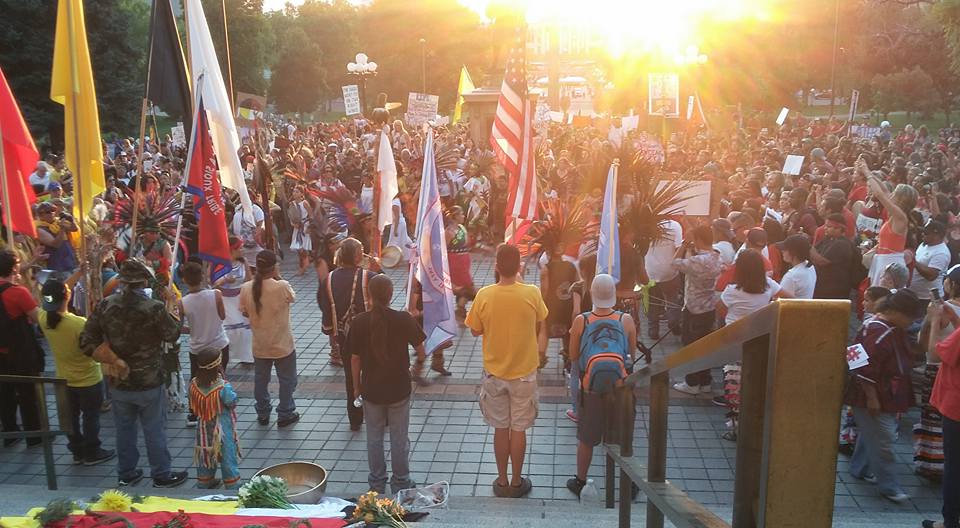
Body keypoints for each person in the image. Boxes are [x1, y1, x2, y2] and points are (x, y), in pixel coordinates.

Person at [80, 258, 187, 487]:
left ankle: (126, 473)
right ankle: (161, 474)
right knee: (154, 429)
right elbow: (172, 334)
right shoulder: (153, 308)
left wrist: (114, 359)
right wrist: (175, 309)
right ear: (143, 282)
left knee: (124, 430)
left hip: (119, 380)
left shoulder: (106, 305)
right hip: (149, 379)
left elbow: (86, 340)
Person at [465, 244, 548, 498]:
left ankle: (501, 481)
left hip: (494, 372)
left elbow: (475, 330)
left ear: (496, 267)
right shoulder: (532, 293)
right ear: (520, 266)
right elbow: (540, 321)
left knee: (500, 428)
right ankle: (516, 481)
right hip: (524, 372)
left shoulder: (485, 295)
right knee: (519, 428)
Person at [348, 274, 426, 494]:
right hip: (399, 388)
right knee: (399, 437)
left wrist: (356, 387)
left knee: (374, 437)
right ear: (391, 295)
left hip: (371, 390)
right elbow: (421, 350)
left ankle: (377, 481)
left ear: (369, 295)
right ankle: (401, 480)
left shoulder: (359, 321)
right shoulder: (403, 319)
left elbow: (355, 359)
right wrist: (416, 366)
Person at [845, 288, 921, 503]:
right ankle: (889, 486)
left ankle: (859, 469)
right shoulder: (881, 332)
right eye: (910, 317)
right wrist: (872, 397)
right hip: (875, 393)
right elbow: (860, 363)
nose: (911, 322)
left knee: (872, 432)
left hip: (877, 392)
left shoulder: (878, 325)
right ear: (898, 312)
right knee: (884, 438)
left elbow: (854, 356)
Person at [565, 274, 637, 498]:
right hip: (620, 389)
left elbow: (573, 355)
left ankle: (580, 480)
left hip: (591, 389)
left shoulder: (582, 320)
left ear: (592, 294)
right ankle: (628, 483)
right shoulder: (626, 320)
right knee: (622, 438)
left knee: (587, 438)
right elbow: (630, 355)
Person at [38, 278, 115, 465]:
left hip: (63, 379)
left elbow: (57, 293)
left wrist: (79, 273)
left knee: (71, 418)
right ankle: (92, 451)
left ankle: (77, 450)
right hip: (88, 378)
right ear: (67, 296)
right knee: (91, 417)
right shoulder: (77, 323)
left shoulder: (42, 318)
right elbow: (96, 346)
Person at [717, 249, 781, 441]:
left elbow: (719, 308)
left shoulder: (732, 290)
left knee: (735, 384)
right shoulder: (768, 284)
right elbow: (789, 297)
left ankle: (737, 428)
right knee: (757, 383)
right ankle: (757, 424)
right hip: (760, 339)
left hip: (735, 341)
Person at [319, 238, 376, 430]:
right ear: (358, 255)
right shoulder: (369, 276)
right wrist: (378, 267)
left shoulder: (328, 279)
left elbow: (324, 307)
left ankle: (355, 419)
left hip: (344, 337)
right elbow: (384, 291)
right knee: (375, 373)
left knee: (351, 378)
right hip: (370, 336)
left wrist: (331, 332)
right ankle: (381, 417)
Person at [239, 250, 299, 428]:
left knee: (261, 380)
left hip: (260, 344)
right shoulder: (282, 286)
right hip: (282, 344)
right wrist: (278, 277)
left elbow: (243, 311)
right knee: (287, 380)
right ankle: (285, 412)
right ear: (274, 267)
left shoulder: (246, 288)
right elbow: (292, 298)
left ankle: (263, 413)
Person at [670, 225, 722, 395]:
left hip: (693, 308)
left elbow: (674, 263)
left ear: (698, 239)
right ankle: (705, 381)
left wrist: (684, 244)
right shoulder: (716, 257)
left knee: (690, 346)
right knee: (705, 347)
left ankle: (692, 383)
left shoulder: (698, 261)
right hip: (709, 307)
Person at [0, 249, 43, 447]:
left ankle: (10, 432)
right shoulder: (17, 292)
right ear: (14, 267)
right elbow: (38, 318)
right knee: (28, 394)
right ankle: (34, 435)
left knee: (4, 394)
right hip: (20, 352)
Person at [179, 262, 229, 426]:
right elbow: (222, 316)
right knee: (219, 377)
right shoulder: (216, 294)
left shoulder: (182, 302)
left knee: (196, 380)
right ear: (202, 277)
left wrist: (193, 328)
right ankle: (219, 405)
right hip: (219, 344)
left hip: (197, 348)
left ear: (185, 280)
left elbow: (179, 327)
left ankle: (194, 413)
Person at [924, 301, 960, 528]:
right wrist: (955, 321)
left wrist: (935, 321)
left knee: (954, 466)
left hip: (956, 407)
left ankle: (949, 521)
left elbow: (935, 354)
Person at [188, 347, 241, 489]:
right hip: (222, 427)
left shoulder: (194, 383)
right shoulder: (222, 386)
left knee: (205, 451)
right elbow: (231, 402)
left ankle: (205, 480)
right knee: (226, 454)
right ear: (218, 365)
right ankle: (232, 484)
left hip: (203, 427)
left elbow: (192, 403)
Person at [215, 238, 253, 365]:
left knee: (245, 330)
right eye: (240, 248)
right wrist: (225, 280)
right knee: (229, 330)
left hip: (240, 299)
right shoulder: (218, 264)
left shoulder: (243, 262)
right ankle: (225, 357)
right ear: (232, 249)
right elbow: (212, 285)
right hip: (224, 301)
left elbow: (249, 281)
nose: (243, 250)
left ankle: (247, 357)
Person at [644, 218, 683, 339]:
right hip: (669, 270)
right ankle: (673, 322)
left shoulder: (646, 225)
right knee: (672, 299)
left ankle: (653, 330)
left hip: (650, 270)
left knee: (653, 302)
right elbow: (678, 248)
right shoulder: (675, 225)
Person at [909, 220, 951, 310]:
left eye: (926, 233)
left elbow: (931, 275)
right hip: (915, 294)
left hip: (927, 299)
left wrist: (914, 262)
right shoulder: (924, 244)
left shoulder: (941, 253)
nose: (923, 235)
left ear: (937, 235)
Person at [812, 214, 855, 300]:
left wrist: (807, 247)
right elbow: (815, 252)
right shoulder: (828, 239)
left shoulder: (842, 244)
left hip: (835, 289)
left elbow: (822, 261)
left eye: (828, 226)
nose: (825, 228)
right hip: (823, 286)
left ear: (839, 228)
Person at [777, 234, 817, 299]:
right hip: (806, 307)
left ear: (794, 253)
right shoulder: (810, 267)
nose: (782, 251)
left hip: (793, 308)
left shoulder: (792, 276)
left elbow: (780, 302)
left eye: (785, 249)